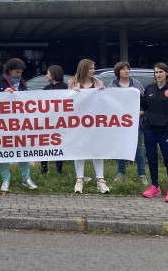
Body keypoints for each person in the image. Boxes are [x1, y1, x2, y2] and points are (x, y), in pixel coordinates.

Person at [0, 58, 38, 193]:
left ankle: (26, 177)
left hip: (19, 122)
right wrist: (2, 95)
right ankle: (6, 179)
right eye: (16, 72)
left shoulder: (21, 83)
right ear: (9, 71)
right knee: (4, 150)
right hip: (3, 122)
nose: (19, 75)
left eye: (21, 72)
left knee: (22, 149)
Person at [141, 62, 168, 203]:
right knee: (152, 159)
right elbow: (144, 106)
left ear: (166, 73)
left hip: (166, 131)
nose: (158, 75)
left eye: (160, 72)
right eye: (156, 72)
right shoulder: (149, 89)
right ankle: (155, 186)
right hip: (150, 130)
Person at [68, 58, 110, 194]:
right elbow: (67, 104)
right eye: (91, 68)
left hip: (95, 123)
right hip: (78, 123)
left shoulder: (98, 83)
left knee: (97, 150)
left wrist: (102, 92)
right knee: (79, 150)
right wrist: (72, 93)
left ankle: (100, 180)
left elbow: (103, 102)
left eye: (94, 68)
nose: (93, 71)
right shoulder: (72, 83)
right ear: (84, 69)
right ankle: (79, 179)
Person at [107, 61, 147, 184]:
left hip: (136, 120)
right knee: (121, 146)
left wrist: (141, 110)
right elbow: (107, 101)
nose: (126, 71)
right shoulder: (113, 85)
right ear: (118, 72)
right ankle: (121, 172)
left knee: (138, 146)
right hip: (120, 121)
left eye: (127, 69)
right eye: (123, 69)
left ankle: (142, 174)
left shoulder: (136, 84)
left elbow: (145, 102)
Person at [41, 65, 66, 175]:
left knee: (60, 145)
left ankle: (59, 170)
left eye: (48, 73)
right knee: (45, 144)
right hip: (47, 121)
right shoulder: (46, 88)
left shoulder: (65, 87)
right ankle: (43, 169)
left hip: (60, 121)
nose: (46, 75)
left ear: (54, 74)